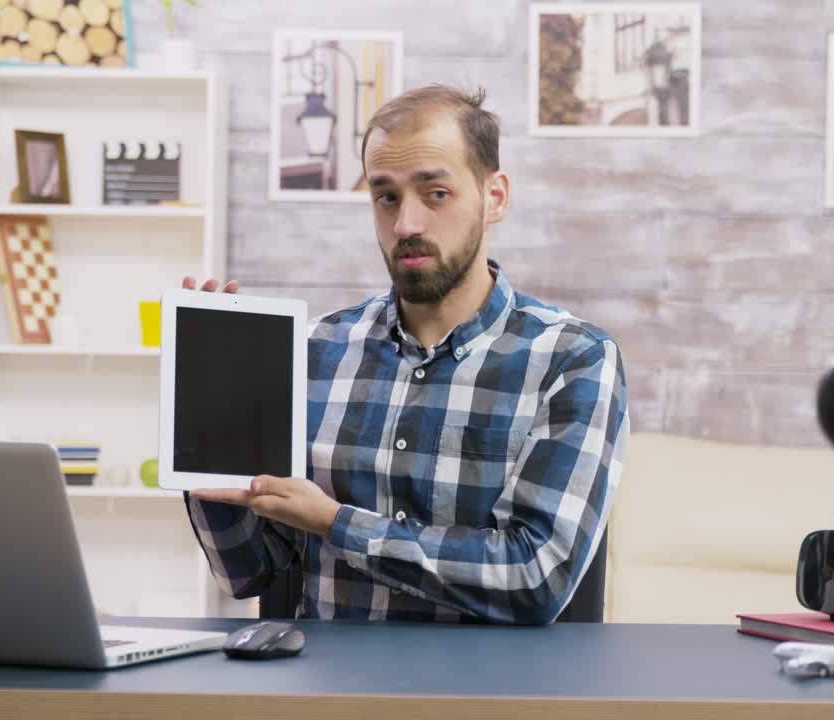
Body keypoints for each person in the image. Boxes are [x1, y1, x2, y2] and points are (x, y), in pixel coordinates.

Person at [182, 85, 629, 624]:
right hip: (322, 697)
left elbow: (535, 576)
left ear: (496, 197)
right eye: (385, 195)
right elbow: (250, 573)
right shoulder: (313, 352)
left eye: (435, 193)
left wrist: (334, 522)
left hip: (486, 699)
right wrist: (207, 432)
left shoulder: (573, 359)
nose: (406, 225)